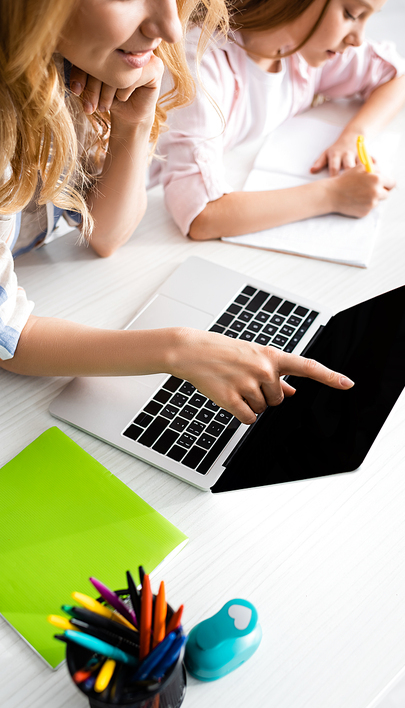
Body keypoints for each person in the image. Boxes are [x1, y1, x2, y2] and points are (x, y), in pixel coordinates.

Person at [0, 0, 354, 427]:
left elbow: (106, 235)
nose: (169, 28)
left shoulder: (72, 70)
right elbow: (8, 340)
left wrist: (133, 123)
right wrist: (180, 351)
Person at [152, 0, 405, 240]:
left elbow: (395, 76)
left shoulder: (302, 49)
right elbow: (201, 215)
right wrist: (334, 195)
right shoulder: (197, 62)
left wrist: (354, 135)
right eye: (350, 14)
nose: (358, 39)